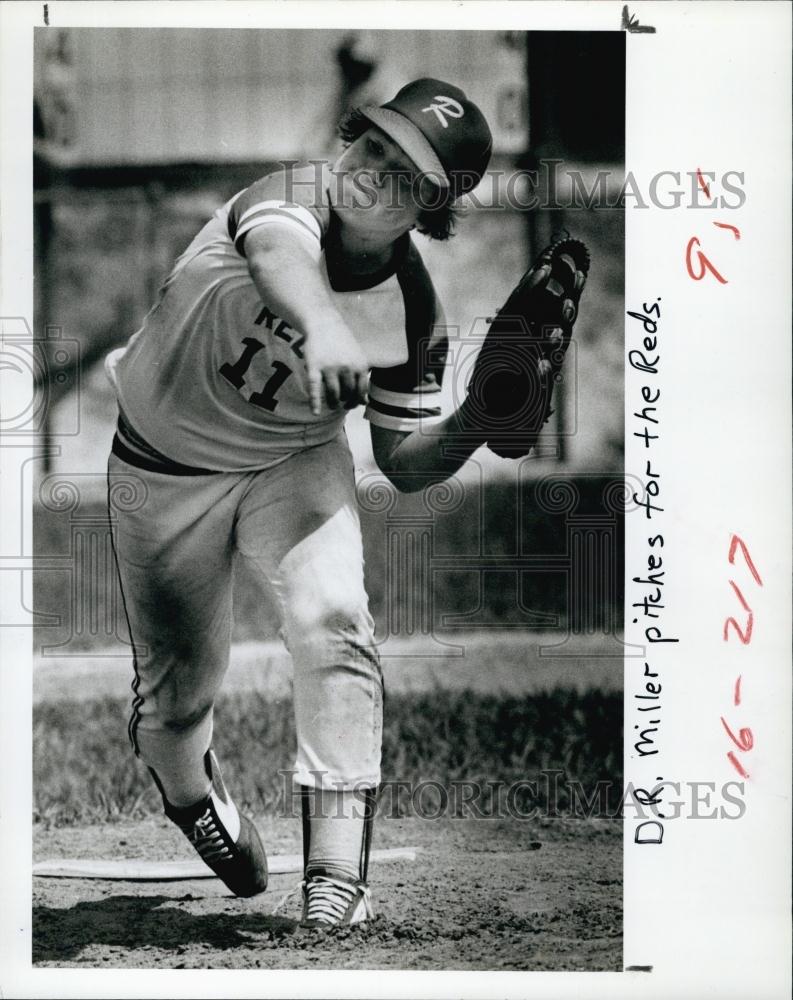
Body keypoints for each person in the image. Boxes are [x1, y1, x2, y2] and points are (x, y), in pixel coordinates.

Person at [105, 78, 493, 928]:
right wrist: (321, 326)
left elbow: (403, 462)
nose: (373, 173)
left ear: (434, 204)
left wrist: (475, 422)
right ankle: (192, 799)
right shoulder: (285, 197)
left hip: (291, 461)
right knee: (174, 706)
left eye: (405, 175)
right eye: (373, 147)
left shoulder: (412, 309)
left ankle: (335, 876)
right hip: (162, 468)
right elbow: (281, 259)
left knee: (334, 619)